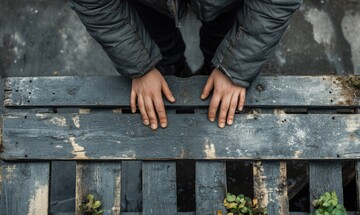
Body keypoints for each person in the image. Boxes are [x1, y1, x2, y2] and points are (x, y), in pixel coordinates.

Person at [70, 0, 302, 130]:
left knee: (218, 47)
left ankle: (208, 75)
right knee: (163, 55)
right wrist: (141, 65)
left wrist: (234, 67)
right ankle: (173, 72)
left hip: (227, 5)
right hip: (150, 5)